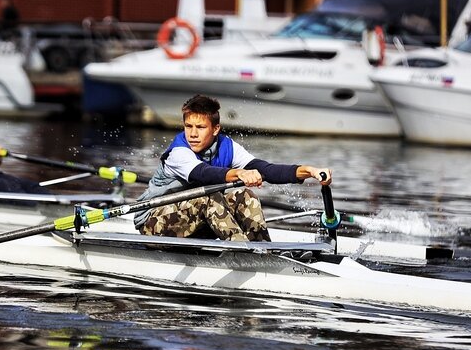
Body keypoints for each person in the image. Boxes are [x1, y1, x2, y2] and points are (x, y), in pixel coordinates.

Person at [134, 94, 332, 241]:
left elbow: (266, 169)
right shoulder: (179, 152)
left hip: (194, 221)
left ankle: (261, 250)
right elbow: (203, 174)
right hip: (154, 224)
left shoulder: (228, 147)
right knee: (207, 198)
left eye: (200, 127)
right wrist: (240, 173)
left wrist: (309, 171)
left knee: (245, 196)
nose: (192, 134)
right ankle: (242, 254)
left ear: (215, 129)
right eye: (188, 126)